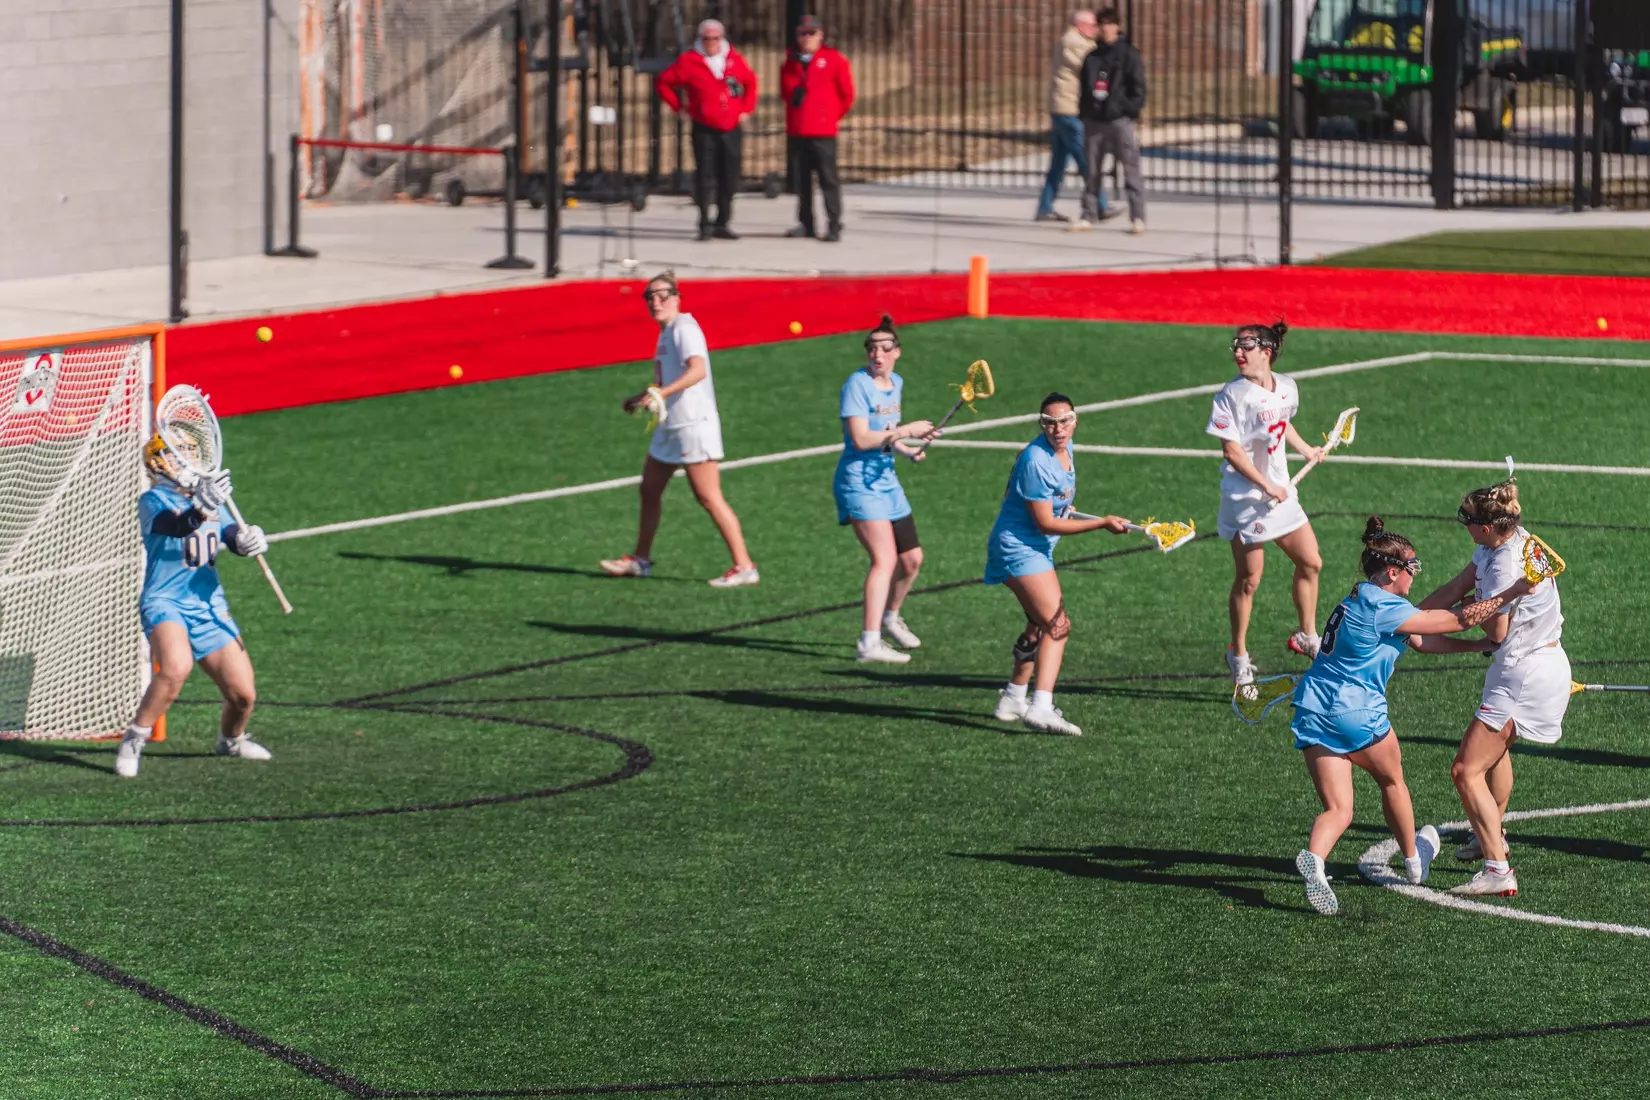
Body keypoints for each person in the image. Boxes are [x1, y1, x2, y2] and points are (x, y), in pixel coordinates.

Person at [1289, 516, 1526, 915]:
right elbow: (1456, 619)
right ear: (1393, 571)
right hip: (1358, 714)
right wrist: (1512, 591)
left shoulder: (1359, 599)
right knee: (1392, 782)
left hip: (1313, 709)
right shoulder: (1385, 608)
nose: (1415, 576)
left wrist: (1476, 648)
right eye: (1413, 568)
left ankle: (1315, 858)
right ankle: (1415, 863)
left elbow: (1421, 640)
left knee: (1339, 809)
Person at [1417, 478, 1568, 898]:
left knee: (1465, 770)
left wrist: (1477, 608)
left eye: (1467, 520)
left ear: (1486, 526)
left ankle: (1497, 867)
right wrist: (1406, 616)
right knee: (1493, 754)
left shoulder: (1505, 564)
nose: (1464, 526)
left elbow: (1496, 630)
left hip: (1522, 670)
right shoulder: (1504, 543)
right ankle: (1492, 837)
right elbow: (1455, 587)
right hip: (1531, 665)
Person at [115, 440, 274, 779]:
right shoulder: (153, 500)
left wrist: (249, 541)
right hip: (165, 600)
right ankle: (134, 737)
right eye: (174, 454)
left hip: (207, 603)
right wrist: (202, 506)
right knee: (175, 667)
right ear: (159, 465)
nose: (184, 460)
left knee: (243, 696)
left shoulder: (212, 499)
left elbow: (231, 535)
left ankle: (231, 740)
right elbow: (179, 525)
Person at [985, 393, 1130, 736]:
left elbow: (1051, 507)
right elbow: (1045, 523)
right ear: (1041, 424)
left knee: (1038, 624)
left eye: (1064, 420)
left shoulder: (1066, 450)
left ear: (1075, 421)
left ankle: (1014, 697)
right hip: (1019, 548)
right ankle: (1042, 707)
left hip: (1034, 547)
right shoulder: (1037, 460)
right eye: (1050, 422)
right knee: (1058, 625)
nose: (1057, 428)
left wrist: (1065, 506)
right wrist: (1101, 523)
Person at [601, 272, 759, 587]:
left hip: (692, 426)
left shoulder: (684, 327)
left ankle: (744, 567)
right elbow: (669, 379)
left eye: (662, 295)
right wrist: (644, 397)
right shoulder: (667, 332)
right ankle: (640, 560)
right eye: (650, 297)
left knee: (708, 496)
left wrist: (662, 394)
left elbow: (697, 370)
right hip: (671, 425)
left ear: (676, 297)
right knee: (649, 489)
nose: (655, 302)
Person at [1205, 320, 1325, 691]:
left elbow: (1281, 421)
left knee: (1311, 562)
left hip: (1280, 494)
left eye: (1246, 347)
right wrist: (1267, 484)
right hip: (1246, 500)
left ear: (1267, 351)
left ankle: (1306, 635)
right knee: (1250, 579)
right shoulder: (1231, 395)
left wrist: (1306, 449)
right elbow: (1232, 450)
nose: (1238, 353)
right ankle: (1238, 656)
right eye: (1236, 347)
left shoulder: (1286, 387)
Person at [834, 315, 939, 664]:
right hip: (859, 483)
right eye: (872, 348)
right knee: (884, 559)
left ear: (897, 352)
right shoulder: (856, 385)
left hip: (887, 481)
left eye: (885, 347)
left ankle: (890, 618)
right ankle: (869, 643)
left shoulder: (896, 383)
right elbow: (863, 438)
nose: (877, 353)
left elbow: (886, 433)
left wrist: (908, 447)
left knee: (912, 560)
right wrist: (907, 429)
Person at [657, 20, 758, 241]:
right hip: (704, 126)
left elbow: (750, 82)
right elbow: (664, 83)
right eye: (707, 39)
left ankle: (723, 221)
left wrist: (745, 109)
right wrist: (679, 108)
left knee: (729, 176)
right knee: (705, 176)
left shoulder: (734, 59)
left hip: (730, 126)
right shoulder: (690, 61)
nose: (711, 43)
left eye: (715, 38)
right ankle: (704, 223)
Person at [781, 14, 855, 242]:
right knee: (802, 181)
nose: (806, 37)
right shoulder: (790, 62)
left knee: (828, 179)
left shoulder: (833, 60)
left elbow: (847, 94)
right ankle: (806, 223)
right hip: (798, 130)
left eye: (811, 33)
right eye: (802, 33)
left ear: (820, 35)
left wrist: (830, 116)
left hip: (823, 132)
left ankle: (833, 223)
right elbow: (785, 93)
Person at [1076, 8, 1148, 235]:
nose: (1105, 29)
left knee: (1130, 168)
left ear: (1117, 26)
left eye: (1109, 24)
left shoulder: (1129, 54)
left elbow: (1139, 89)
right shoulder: (1092, 57)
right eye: (1101, 24)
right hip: (1094, 120)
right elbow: (1084, 88)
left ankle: (1138, 217)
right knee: (1092, 170)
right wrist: (1086, 112)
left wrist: (1126, 109)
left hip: (1119, 120)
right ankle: (1088, 214)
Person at [1036, 10, 1103, 225]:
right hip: (1068, 110)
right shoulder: (1074, 42)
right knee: (1086, 159)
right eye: (1093, 25)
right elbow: (1091, 65)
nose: (1096, 29)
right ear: (1080, 25)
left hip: (1063, 109)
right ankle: (1101, 205)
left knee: (1058, 163)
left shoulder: (1074, 40)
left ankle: (1045, 208)